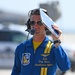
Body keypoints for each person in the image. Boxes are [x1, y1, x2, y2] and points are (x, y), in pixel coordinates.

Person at [11, 8, 71, 75]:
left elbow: (65, 67)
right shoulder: (21, 47)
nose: (35, 26)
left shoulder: (53, 47)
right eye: (32, 22)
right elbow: (16, 70)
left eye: (39, 23)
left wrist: (56, 42)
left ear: (46, 26)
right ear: (29, 25)